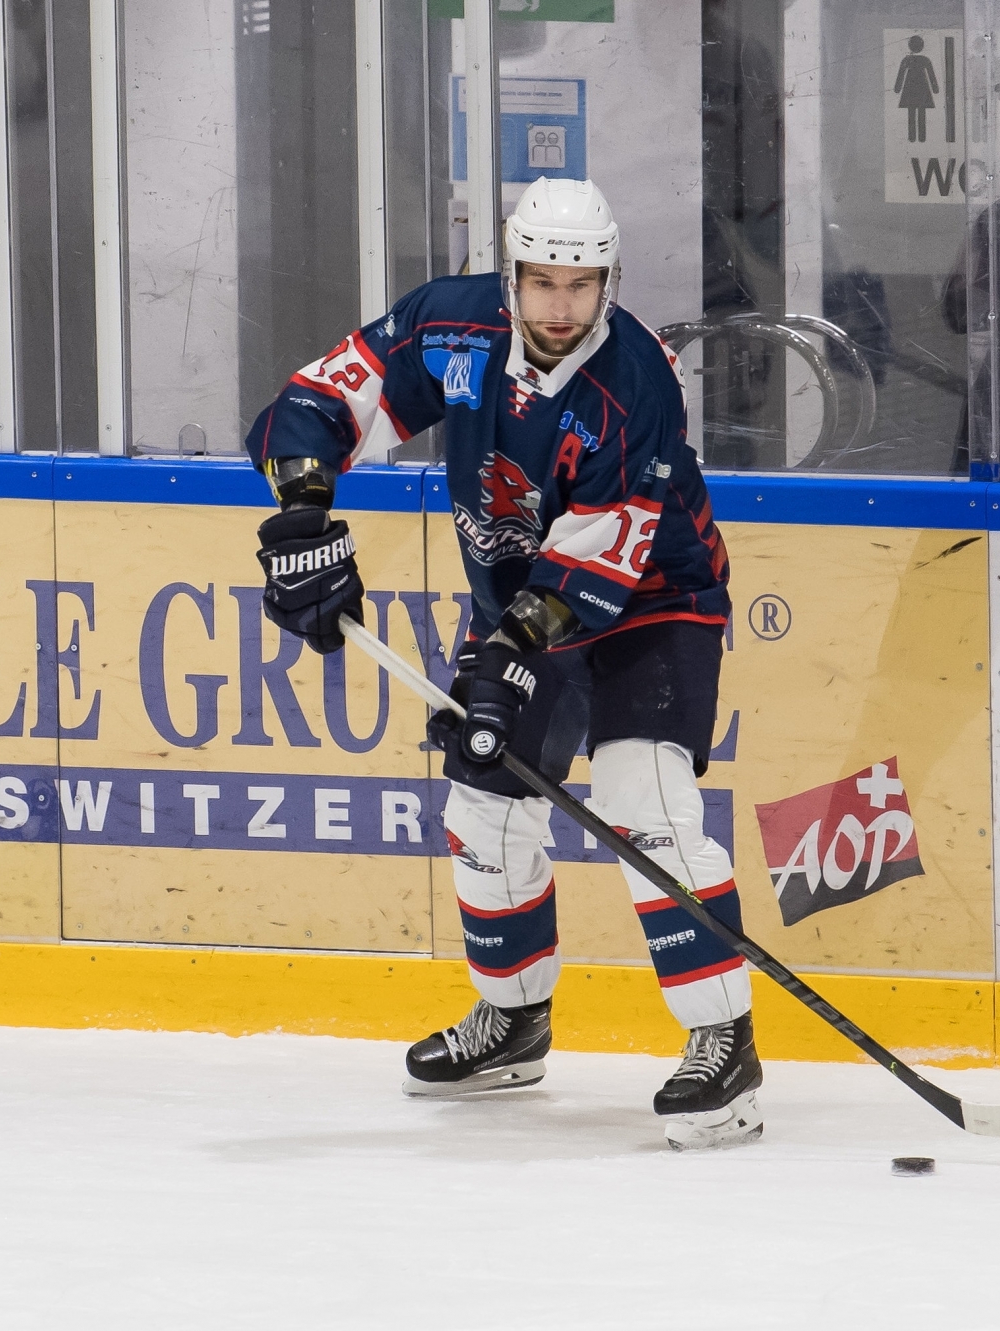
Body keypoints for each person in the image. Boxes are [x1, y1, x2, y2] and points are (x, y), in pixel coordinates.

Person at [242, 178, 762, 1151]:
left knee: (642, 801)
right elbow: (327, 396)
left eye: (580, 284)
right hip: (519, 605)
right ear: (510, 274)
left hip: (651, 603)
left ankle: (721, 1040)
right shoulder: (451, 326)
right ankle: (513, 1020)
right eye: (540, 282)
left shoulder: (636, 380)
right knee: (483, 804)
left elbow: (600, 557)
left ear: (605, 280)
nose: (559, 306)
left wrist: (508, 659)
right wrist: (303, 509)